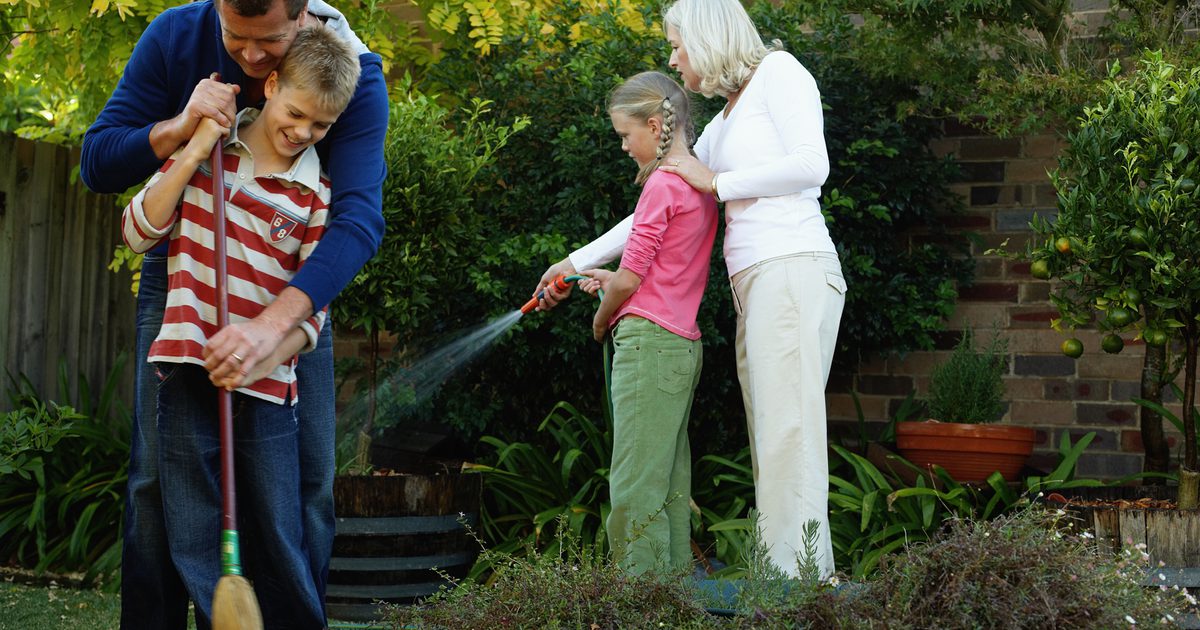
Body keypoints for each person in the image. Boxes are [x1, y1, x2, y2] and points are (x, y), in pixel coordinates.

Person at [81, 0, 388, 626]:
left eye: (269, 41)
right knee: (154, 485)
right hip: (186, 288)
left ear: (302, 18)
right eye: (234, 38)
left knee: (304, 488)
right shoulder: (175, 35)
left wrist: (276, 329)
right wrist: (181, 130)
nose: (248, 57)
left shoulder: (351, 74)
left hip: (295, 290)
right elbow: (99, 162)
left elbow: (356, 220)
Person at [535, 0, 845, 579]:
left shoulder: (781, 72)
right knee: (772, 438)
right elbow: (661, 205)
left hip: (793, 266)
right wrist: (572, 262)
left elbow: (812, 164)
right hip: (757, 282)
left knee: (789, 436)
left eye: (677, 46)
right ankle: (786, 580)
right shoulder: (727, 119)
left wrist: (718, 180)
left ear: (705, 39)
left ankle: (800, 587)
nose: (674, 61)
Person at [576, 71, 717, 575]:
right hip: (681, 347)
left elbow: (632, 280)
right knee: (669, 484)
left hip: (647, 345)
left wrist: (601, 317)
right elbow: (663, 270)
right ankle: (673, 600)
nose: (623, 146)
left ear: (655, 126)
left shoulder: (660, 184)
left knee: (635, 484)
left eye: (625, 135)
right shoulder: (699, 181)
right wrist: (609, 279)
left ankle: (638, 606)